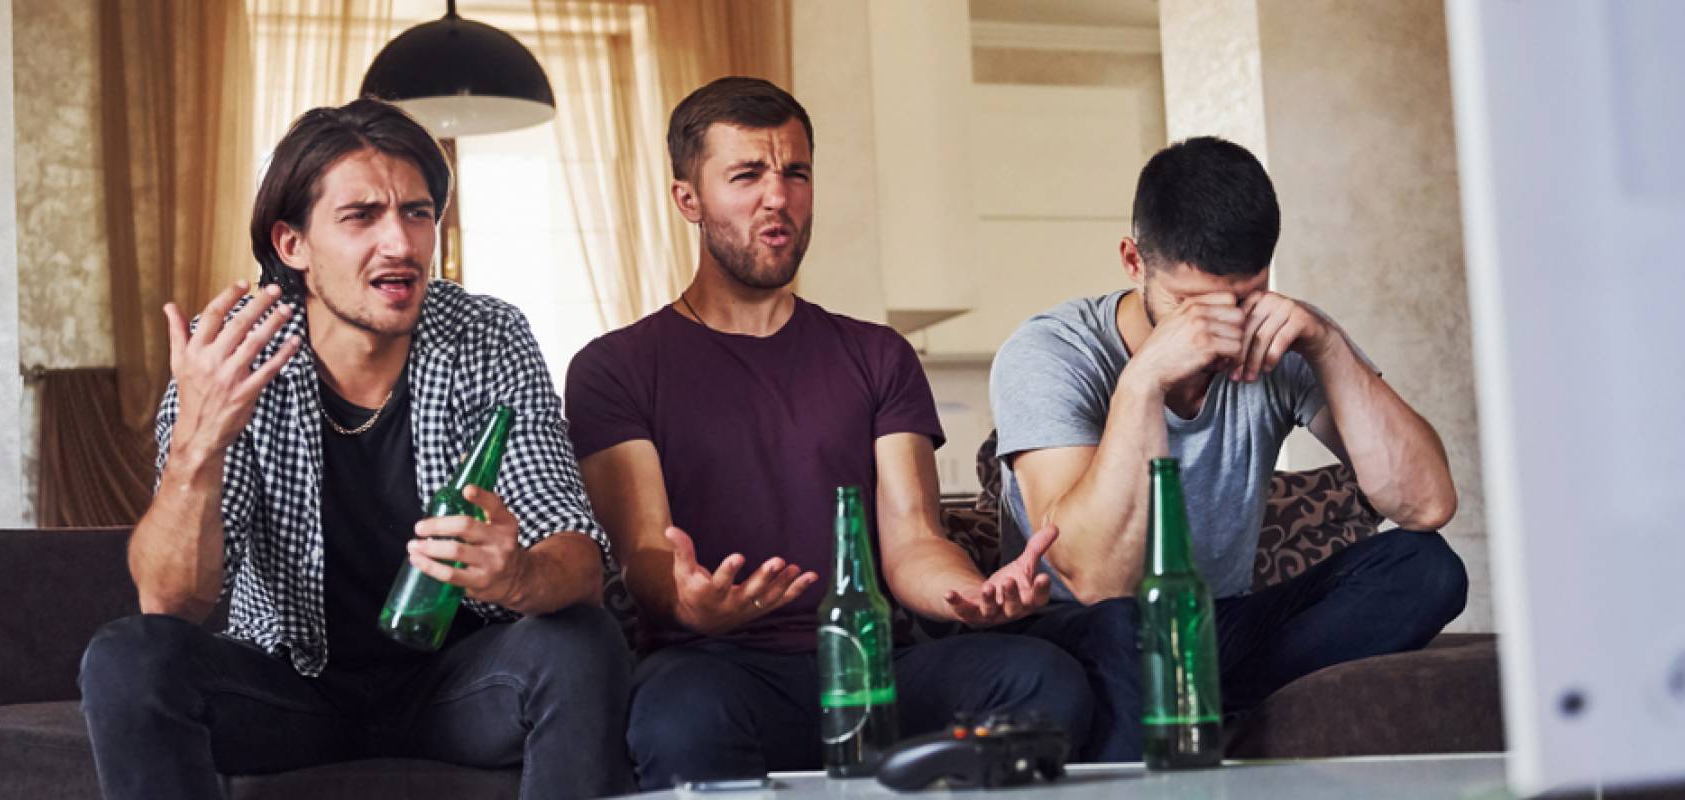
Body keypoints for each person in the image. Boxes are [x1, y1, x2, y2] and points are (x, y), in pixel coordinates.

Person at [76, 98, 632, 800]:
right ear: (292, 245)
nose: (399, 243)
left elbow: (575, 555)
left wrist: (518, 574)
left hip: (456, 685)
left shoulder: (487, 336)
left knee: (581, 642)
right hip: (289, 686)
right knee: (128, 657)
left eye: (417, 213)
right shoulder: (232, 355)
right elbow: (172, 600)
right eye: (361, 216)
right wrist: (198, 444)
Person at [564, 76, 1101, 790]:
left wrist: (968, 596)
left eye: (796, 173)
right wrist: (690, 599)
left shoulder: (878, 355)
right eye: (747, 175)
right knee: (677, 713)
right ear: (687, 199)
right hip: (719, 669)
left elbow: (912, 538)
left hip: (871, 666)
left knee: (1041, 678)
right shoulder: (616, 366)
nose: (777, 197)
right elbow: (642, 549)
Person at [990, 135, 1468, 731]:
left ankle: (1208, 706)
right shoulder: (1051, 352)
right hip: (1088, 630)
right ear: (1134, 262)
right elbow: (1098, 579)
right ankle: (1221, 715)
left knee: (1427, 568)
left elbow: (1426, 504)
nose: (1221, 326)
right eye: (1191, 302)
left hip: (1216, 627)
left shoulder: (1281, 337)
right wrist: (1143, 381)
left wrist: (1325, 345)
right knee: (1125, 627)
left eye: (1245, 297)